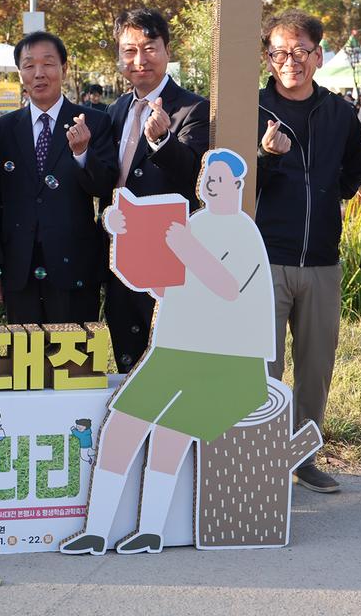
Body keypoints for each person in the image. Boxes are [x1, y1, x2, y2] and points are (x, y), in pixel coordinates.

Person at [61, 149, 273, 555]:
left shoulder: (243, 231)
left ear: (238, 186)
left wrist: (185, 247)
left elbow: (227, 287)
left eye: (219, 179)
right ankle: (97, 529)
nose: (210, 185)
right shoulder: (194, 223)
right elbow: (163, 286)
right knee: (122, 424)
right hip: (177, 345)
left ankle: (152, 528)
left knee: (170, 432)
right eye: (206, 179)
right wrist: (124, 234)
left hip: (228, 359)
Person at [256, 9, 361, 494]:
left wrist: (322, 196)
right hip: (263, 260)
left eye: (301, 51)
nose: (291, 61)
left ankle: (303, 457)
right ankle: (258, 459)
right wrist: (266, 157)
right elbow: (227, 183)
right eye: (280, 52)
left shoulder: (339, 112)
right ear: (268, 56)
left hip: (321, 260)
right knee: (263, 368)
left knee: (316, 368)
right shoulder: (251, 107)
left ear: (318, 56)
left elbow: (353, 173)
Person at [0, 32, 117, 324]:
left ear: (64, 69)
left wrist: (82, 153)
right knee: (25, 360)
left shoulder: (94, 121)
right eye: (29, 65)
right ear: (20, 74)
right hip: (19, 265)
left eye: (48, 63)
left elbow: (105, 186)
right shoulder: (2, 129)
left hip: (75, 265)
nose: (39, 73)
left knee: (73, 360)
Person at [104, 8, 209, 371]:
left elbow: (194, 176)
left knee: (166, 359)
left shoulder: (193, 108)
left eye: (150, 48)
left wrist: (163, 139)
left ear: (167, 49)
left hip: (167, 256)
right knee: (126, 352)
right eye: (129, 50)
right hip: (121, 252)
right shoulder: (115, 110)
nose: (140, 59)